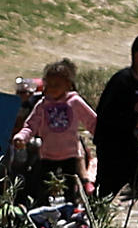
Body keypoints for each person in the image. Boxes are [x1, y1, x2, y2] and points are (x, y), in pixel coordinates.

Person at [12, 58, 99, 208]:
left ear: (68, 84)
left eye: (57, 85)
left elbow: (91, 121)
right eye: (49, 85)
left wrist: (103, 137)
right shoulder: (43, 105)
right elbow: (31, 125)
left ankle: (70, 216)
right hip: (47, 156)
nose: (52, 89)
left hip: (70, 156)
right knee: (43, 191)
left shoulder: (75, 102)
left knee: (70, 191)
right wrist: (21, 137)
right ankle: (43, 219)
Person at [95, 33, 138, 200]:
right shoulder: (122, 80)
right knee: (106, 190)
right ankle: (93, 219)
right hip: (111, 146)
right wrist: (135, 121)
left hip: (129, 144)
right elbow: (106, 114)